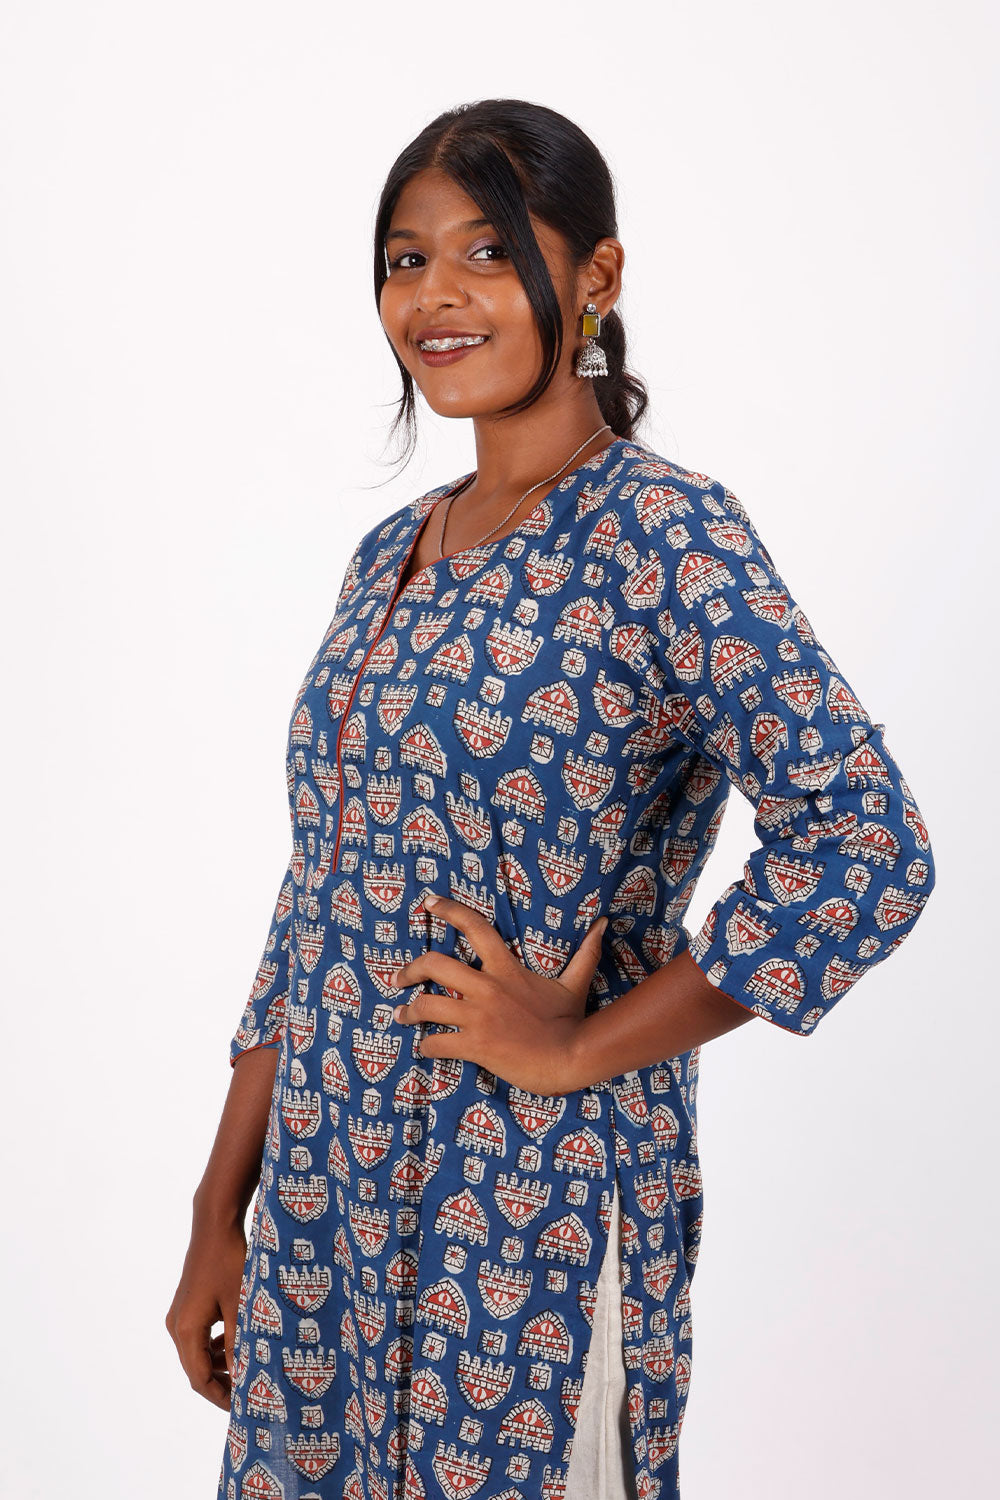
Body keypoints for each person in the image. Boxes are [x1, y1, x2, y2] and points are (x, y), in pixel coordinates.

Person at [165, 99, 937, 1500]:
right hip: (325, 1205)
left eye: (487, 252)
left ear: (597, 276)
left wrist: (580, 1049)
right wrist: (223, 1205)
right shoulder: (388, 556)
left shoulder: (664, 537)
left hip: (526, 1199)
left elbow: (865, 843)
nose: (437, 295)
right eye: (406, 260)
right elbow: (320, 890)